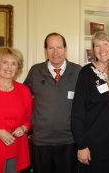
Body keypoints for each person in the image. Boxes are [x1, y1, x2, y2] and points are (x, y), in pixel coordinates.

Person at [23, 32, 82, 173]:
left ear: (66, 49)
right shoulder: (35, 71)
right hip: (41, 141)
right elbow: (22, 97)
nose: (55, 52)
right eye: (51, 48)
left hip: (69, 140)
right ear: (45, 51)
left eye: (59, 47)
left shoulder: (78, 71)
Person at [71, 31, 109, 173]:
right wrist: (81, 146)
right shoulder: (86, 73)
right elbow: (77, 113)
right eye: (97, 45)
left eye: (106, 44)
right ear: (93, 50)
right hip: (92, 147)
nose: (102, 49)